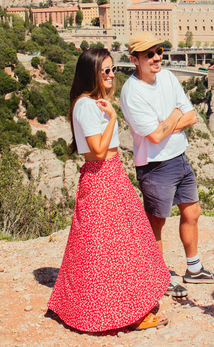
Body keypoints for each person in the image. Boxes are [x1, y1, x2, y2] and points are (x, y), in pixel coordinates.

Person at [48, 48, 170, 333]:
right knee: (109, 247)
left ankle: (129, 306)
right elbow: (99, 151)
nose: (112, 74)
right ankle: (124, 313)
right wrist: (113, 117)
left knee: (121, 245)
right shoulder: (86, 105)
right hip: (102, 177)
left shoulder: (94, 102)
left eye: (113, 69)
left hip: (111, 176)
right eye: (106, 70)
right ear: (92, 73)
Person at [120, 32, 214, 299]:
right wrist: (175, 116)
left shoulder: (166, 77)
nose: (157, 58)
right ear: (135, 59)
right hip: (155, 165)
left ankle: (194, 268)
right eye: (149, 54)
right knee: (156, 223)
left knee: (192, 212)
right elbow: (154, 136)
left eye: (159, 51)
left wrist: (169, 122)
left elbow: (191, 116)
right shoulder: (132, 92)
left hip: (179, 156)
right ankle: (157, 277)